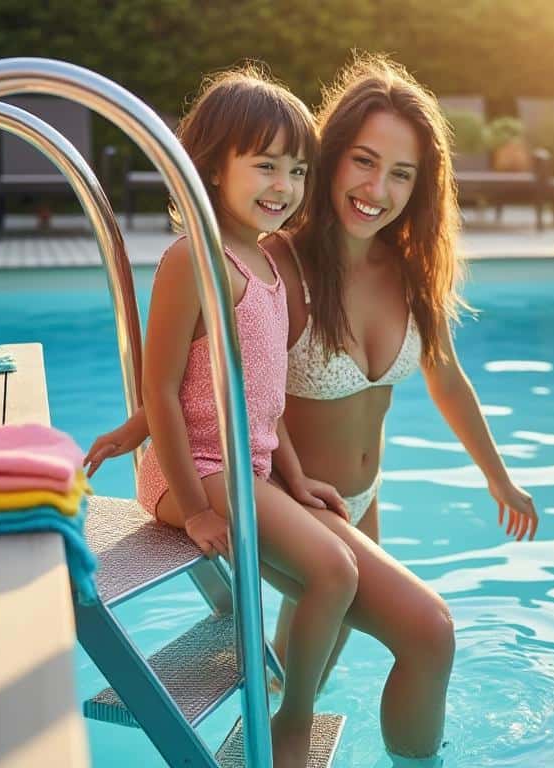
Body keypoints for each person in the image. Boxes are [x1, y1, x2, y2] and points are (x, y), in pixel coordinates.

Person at [86, 54, 539, 760]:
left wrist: (498, 477)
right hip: (257, 488)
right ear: (332, 160)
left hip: (341, 495)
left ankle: (285, 735)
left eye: (402, 173)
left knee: (325, 661)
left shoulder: (402, 269)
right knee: (413, 634)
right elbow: (195, 381)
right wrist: (149, 440)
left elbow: (440, 377)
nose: (378, 189)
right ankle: (300, 730)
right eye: (363, 161)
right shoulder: (272, 263)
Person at [132, 63, 354, 768]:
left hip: (244, 468)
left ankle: (286, 701)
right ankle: (292, 719)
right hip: (193, 472)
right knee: (334, 572)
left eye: (297, 170)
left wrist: (298, 475)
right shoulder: (194, 262)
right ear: (210, 167)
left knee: (334, 568)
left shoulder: (266, 265)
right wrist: (196, 509)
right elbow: (159, 390)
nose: (284, 185)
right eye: (265, 165)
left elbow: (264, 400)